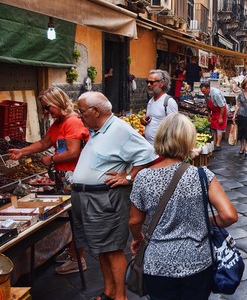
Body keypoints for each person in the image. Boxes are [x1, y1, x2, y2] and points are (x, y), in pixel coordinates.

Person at [129, 113, 238, 300]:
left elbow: (134, 221)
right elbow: (229, 216)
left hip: (158, 264)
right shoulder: (202, 175)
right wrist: (205, 219)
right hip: (197, 262)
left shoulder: (143, 177)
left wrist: (137, 238)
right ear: (188, 140)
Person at [71, 91, 157, 300]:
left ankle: (120, 296)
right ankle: (109, 292)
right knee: (101, 248)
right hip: (89, 199)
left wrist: (128, 177)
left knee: (112, 249)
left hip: (104, 200)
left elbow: (148, 152)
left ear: (96, 111)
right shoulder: (98, 129)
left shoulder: (119, 129)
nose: (79, 116)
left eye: (82, 112)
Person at [8, 87, 90, 275]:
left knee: (76, 218)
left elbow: (72, 152)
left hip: (74, 177)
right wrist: (22, 151)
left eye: (47, 107)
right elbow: (45, 143)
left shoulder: (72, 122)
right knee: (71, 217)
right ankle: (72, 252)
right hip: (65, 178)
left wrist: (50, 160)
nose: (46, 112)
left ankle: (78, 259)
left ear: (58, 102)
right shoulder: (59, 122)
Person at [141, 69, 178, 145]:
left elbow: (175, 127)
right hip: (149, 146)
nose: (148, 85)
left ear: (161, 83)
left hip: (161, 148)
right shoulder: (151, 101)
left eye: (151, 82)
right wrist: (143, 120)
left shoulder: (169, 102)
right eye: (147, 82)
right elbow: (150, 118)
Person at [200, 81, 227, 152]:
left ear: (208, 88)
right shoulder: (206, 94)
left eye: (204, 91)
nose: (203, 93)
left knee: (219, 127)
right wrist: (209, 114)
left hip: (221, 110)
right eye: (202, 91)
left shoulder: (215, 94)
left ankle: (218, 145)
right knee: (213, 127)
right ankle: (214, 143)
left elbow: (222, 106)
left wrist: (221, 117)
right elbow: (208, 105)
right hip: (214, 111)